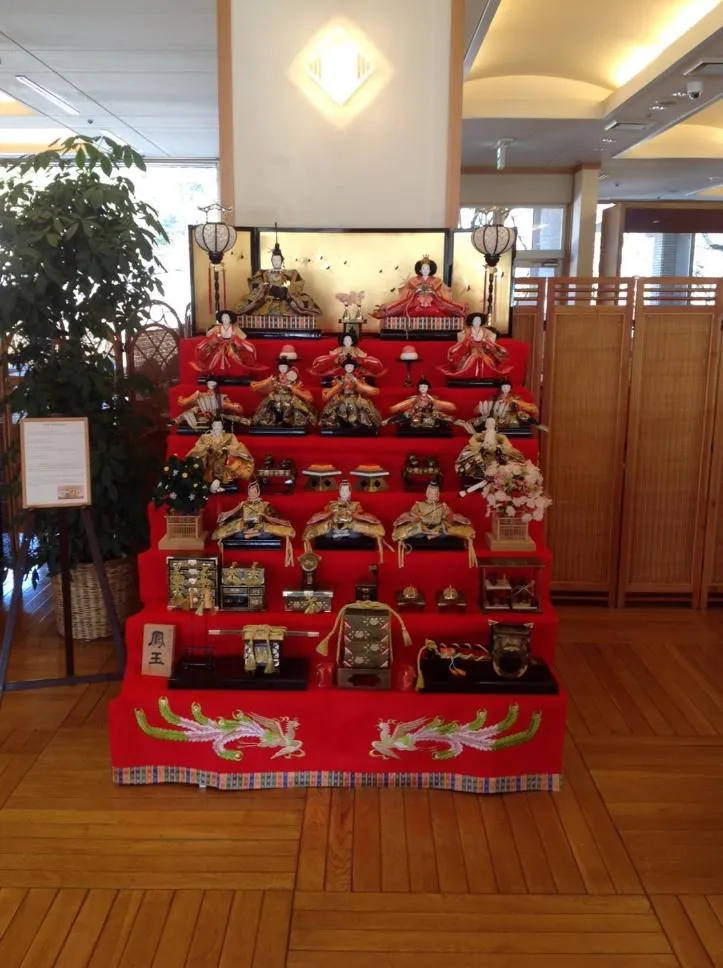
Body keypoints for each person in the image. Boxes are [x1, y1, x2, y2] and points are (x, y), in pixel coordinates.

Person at [212, 478, 295, 565]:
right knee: (238, 533)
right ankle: (251, 534)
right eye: (251, 492)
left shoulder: (265, 504)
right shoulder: (243, 505)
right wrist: (225, 518)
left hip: (260, 527)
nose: (253, 494)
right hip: (245, 527)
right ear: (248, 492)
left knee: (267, 534)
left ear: (258, 492)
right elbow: (233, 515)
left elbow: (275, 516)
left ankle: (252, 534)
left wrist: (266, 517)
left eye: (255, 491)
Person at [392, 480, 476, 566]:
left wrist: (448, 514)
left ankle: (434, 535)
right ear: (427, 493)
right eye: (432, 493)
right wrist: (418, 518)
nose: (434, 495)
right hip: (422, 528)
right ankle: (429, 535)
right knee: (417, 532)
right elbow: (413, 516)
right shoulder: (419, 505)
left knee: (446, 531)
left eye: (436, 493)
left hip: (439, 528)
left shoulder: (442, 506)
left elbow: (448, 519)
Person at [302, 480, 387, 562]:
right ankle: (336, 535)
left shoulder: (356, 504)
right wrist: (332, 513)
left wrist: (352, 514)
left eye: (346, 491)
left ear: (350, 492)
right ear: (339, 491)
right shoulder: (332, 504)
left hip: (350, 530)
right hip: (334, 530)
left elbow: (360, 514)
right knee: (327, 532)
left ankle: (343, 534)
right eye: (342, 491)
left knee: (355, 534)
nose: (344, 493)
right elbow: (325, 514)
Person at [236, 241, 322, 317]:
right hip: (267, 301)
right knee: (249, 305)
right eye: (274, 260)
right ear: (271, 261)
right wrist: (264, 288)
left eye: (278, 260)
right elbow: (255, 284)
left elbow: (298, 285)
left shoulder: (291, 273)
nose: (276, 262)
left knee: (303, 302)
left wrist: (287, 290)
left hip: (285, 301)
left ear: (282, 261)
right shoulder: (265, 273)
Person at [372, 256, 467, 320]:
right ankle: (385, 311)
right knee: (403, 306)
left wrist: (433, 292)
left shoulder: (437, 280)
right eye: (423, 268)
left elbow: (443, 292)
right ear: (420, 269)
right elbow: (407, 291)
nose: (425, 270)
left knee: (444, 307)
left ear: (431, 270)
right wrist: (416, 291)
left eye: (427, 268)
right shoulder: (413, 280)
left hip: (433, 300)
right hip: (416, 300)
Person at [438, 311, 512, 381]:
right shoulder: (465, 332)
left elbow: (491, 344)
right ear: (471, 321)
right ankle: (469, 376)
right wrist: (468, 341)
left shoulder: (487, 332)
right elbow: (461, 344)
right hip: (470, 351)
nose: (477, 322)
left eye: (479, 320)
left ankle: (485, 376)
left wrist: (485, 342)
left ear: (481, 321)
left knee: (485, 359)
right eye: (475, 320)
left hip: (484, 352)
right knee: (472, 358)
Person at [186, 418, 254, 490]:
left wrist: (227, 448)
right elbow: (197, 448)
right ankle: (209, 480)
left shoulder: (230, 436)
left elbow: (237, 447)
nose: (217, 428)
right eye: (215, 425)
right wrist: (206, 448)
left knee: (235, 458)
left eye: (219, 426)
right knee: (198, 460)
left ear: (222, 427)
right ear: (212, 426)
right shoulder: (204, 437)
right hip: (210, 462)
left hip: (224, 462)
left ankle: (226, 478)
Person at [192, 309, 265, 374]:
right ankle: (217, 373)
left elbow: (243, 337)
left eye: (227, 317)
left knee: (238, 355)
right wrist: (215, 336)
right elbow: (208, 334)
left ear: (230, 319)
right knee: (212, 355)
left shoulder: (235, 328)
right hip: (219, 346)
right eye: (223, 317)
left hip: (232, 346)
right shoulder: (217, 328)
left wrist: (236, 339)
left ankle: (236, 372)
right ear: (221, 319)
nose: (225, 319)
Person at [251, 358, 318, 429]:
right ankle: (269, 421)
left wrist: (291, 387)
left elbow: (309, 398)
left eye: (285, 369)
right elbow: (253, 387)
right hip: (276, 403)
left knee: (295, 402)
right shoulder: (274, 382)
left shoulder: (295, 384)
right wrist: (267, 381)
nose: (282, 375)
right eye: (280, 369)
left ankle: (291, 422)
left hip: (289, 404)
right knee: (269, 400)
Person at [319, 358, 382, 431]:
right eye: (347, 366)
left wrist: (357, 384)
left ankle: (361, 422)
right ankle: (336, 421)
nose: (349, 368)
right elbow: (332, 391)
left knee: (362, 405)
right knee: (338, 406)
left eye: (351, 366)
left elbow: (373, 391)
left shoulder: (359, 379)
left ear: (354, 368)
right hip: (343, 397)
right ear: (344, 368)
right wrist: (340, 386)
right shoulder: (340, 379)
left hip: (355, 397)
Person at [455, 417, 524, 482]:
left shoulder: (499, 436)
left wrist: (498, 446)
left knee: (510, 455)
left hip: (497, 454)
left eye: (492, 424)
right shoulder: (480, 435)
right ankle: (477, 472)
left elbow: (507, 444)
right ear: (485, 425)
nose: (491, 425)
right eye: (489, 424)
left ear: (495, 425)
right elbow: (472, 441)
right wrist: (481, 445)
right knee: (470, 456)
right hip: (483, 453)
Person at [383, 377, 456, 431]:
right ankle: (388, 421)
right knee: (407, 416)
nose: (423, 388)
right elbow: (409, 411)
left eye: (425, 386)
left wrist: (433, 402)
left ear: (428, 388)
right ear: (418, 388)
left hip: (429, 416)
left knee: (439, 418)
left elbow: (436, 409)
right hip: (416, 416)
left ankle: (458, 422)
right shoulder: (415, 398)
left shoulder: (433, 398)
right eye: (421, 387)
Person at [310, 330, 386, 380]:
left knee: (366, 373)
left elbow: (364, 357)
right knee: (331, 373)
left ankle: (374, 375)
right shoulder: (340, 348)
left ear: (352, 341)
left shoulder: (355, 349)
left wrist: (357, 359)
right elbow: (332, 356)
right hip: (341, 368)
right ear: (342, 341)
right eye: (345, 340)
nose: (347, 341)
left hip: (354, 368)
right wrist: (338, 358)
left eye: (349, 340)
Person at [174, 380, 248, 432]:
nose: (210, 392)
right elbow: (182, 403)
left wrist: (232, 406)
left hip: (219, 419)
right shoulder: (202, 397)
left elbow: (239, 410)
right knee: (194, 409)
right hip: (202, 416)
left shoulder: (223, 400)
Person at [469, 382, 539, 431]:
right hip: (496, 418)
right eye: (504, 387)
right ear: (500, 388)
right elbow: (481, 409)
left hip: (511, 418)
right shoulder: (494, 398)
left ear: (510, 388)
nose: (506, 388)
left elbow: (533, 409)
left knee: (515, 421)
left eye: (507, 387)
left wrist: (515, 401)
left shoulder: (515, 397)